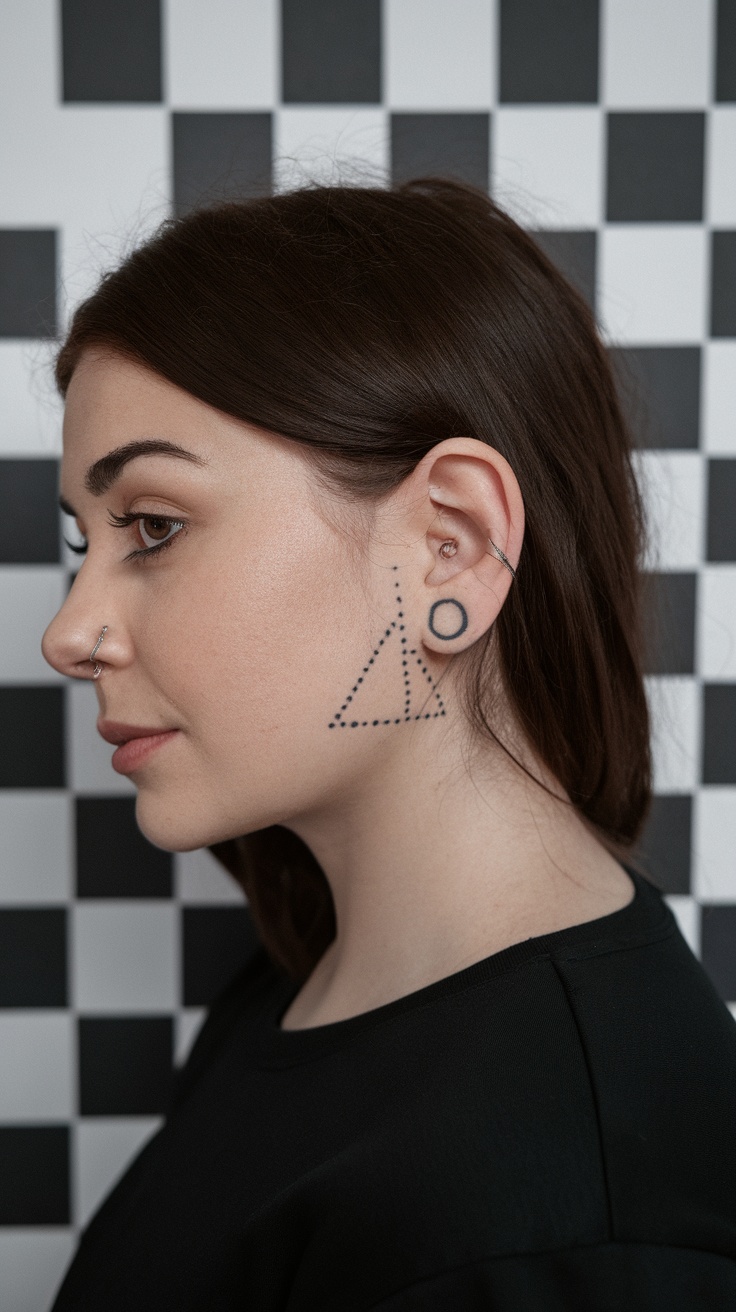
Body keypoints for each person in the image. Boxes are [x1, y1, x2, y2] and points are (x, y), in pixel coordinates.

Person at [42, 178, 736, 1309]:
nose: (69, 633)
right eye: (86, 538)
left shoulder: (587, 1229)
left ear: (449, 549)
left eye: (153, 526)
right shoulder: (298, 991)